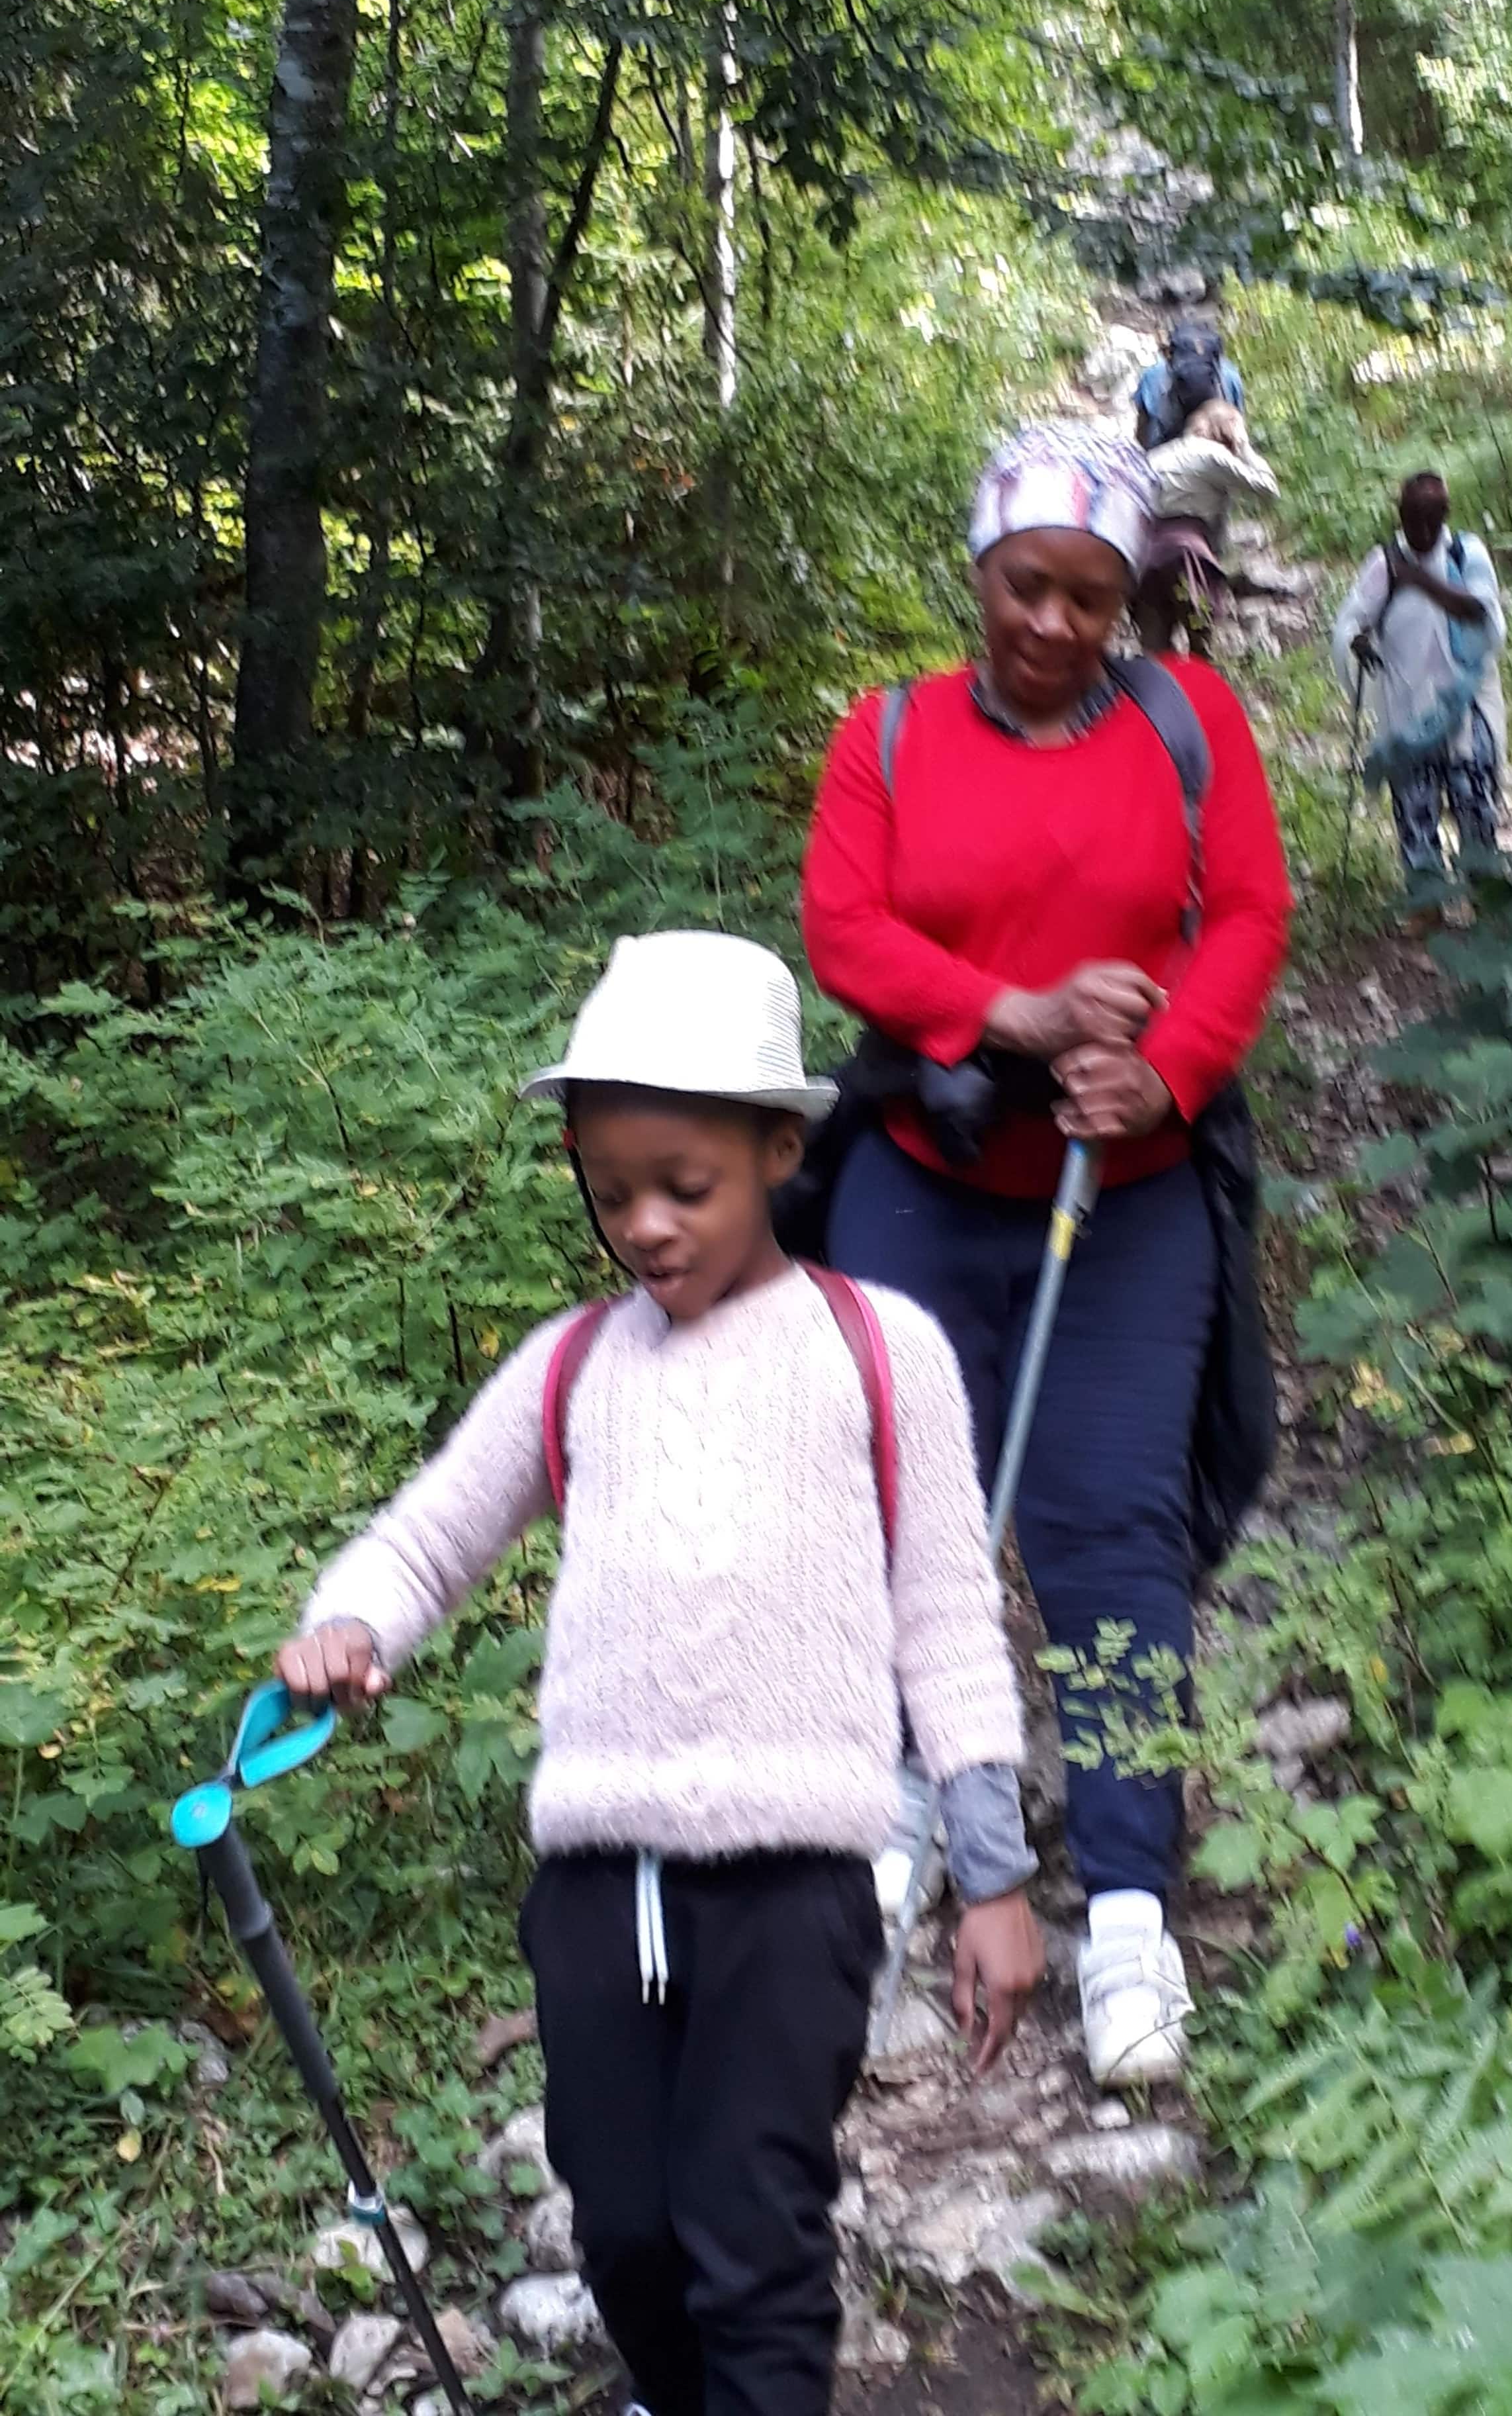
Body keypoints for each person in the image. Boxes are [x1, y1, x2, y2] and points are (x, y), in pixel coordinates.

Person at [273, 929, 1043, 2416]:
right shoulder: (575, 1366)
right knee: (625, 2226)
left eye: (684, 1187)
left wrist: (996, 1875)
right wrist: (352, 1622)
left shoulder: (880, 1352)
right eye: (612, 1189)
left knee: (752, 2235)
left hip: (796, 1884)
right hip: (595, 1879)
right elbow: (429, 1538)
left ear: (777, 1148)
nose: (645, 1225)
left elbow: (948, 1615)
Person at [801, 423, 1291, 2090]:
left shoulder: (1190, 722)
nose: (1058, 625)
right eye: (1029, 587)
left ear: (1132, 596)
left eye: (1094, 596)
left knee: (1109, 1523)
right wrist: (1011, 1013)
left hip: (1129, 1187)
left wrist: (1167, 1063)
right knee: (890, 1506)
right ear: (978, 575)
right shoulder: (889, 734)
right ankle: (898, 1833)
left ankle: (1133, 1904)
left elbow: (1246, 914)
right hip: (927, 1174)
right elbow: (848, 925)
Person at [1331, 471, 1507, 895]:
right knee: (1415, 809)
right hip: (1407, 709)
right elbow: (1351, 620)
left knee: (1476, 803)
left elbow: (1481, 613)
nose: (1424, 531)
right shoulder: (1385, 564)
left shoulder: (1468, 555)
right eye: (1414, 520)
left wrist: (1419, 579)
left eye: (1432, 519)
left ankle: (1486, 899)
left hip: (1466, 709)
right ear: (1401, 516)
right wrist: (1357, 643)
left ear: (1446, 515)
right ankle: (1427, 904)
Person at [1135, 400, 1280, 657]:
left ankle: (1156, 694)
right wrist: (1244, 445)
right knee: (1200, 647)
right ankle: (1199, 693)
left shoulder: (1156, 457)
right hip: (1186, 557)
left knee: (1154, 655)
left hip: (1145, 560)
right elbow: (1268, 488)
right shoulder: (1210, 455)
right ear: (1227, 428)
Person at [1134, 312, 1247, 451]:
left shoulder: (1152, 377)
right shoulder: (1230, 376)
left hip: (1165, 452)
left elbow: (1142, 433)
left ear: (1170, 355)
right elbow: (1238, 427)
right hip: (1217, 452)